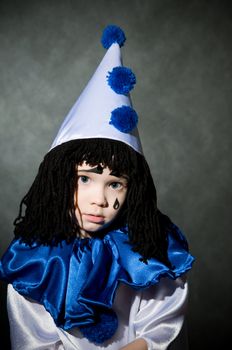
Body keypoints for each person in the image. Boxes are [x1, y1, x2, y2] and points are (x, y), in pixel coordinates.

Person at [0, 25, 194, 350]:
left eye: (115, 183)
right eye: (85, 178)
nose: (100, 200)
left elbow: (162, 331)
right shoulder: (34, 263)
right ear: (59, 178)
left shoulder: (152, 254)